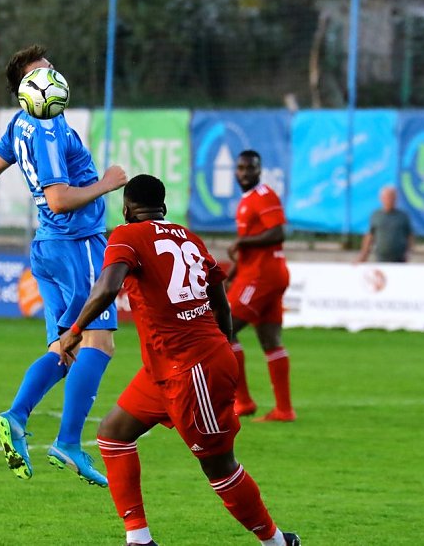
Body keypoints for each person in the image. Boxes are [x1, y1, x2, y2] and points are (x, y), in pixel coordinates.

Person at [59, 174, 302, 546]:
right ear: (163, 207)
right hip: (167, 366)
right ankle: (139, 539)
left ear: (126, 209)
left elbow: (108, 286)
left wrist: (76, 329)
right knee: (113, 435)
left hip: (192, 368)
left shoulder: (126, 235)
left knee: (219, 466)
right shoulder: (188, 236)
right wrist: (222, 343)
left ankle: (277, 542)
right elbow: (220, 297)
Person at [0, 44, 127, 487]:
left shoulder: (21, 123)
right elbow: (59, 198)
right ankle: (68, 442)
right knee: (99, 341)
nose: (52, 77)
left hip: (49, 246)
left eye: (52, 69)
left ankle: (16, 416)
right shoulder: (47, 127)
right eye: (41, 73)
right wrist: (107, 184)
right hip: (77, 244)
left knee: (66, 348)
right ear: (26, 89)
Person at [226, 150, 295, 422]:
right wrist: (232, 274)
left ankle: (243, 401)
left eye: (250, 168)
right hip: (262, 273)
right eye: (241, 168)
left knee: (223, 328)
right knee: (270, 340)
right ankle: (284, 410)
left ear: (259, 170)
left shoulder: (264, 195)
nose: (244, 173)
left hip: (262, 276)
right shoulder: (247, 201)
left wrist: (242, 242)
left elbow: (278, 232)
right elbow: (251, 246)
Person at [356, 185, 414, 264]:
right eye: (387, 197)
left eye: (392, 198)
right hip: (381, 259)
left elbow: (409, 236)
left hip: (400, 260)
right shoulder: (376, 215)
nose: (390, 200)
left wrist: (409, 253)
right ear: (381, 199)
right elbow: (369, 236)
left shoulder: (403, 216)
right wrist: (363, 255)